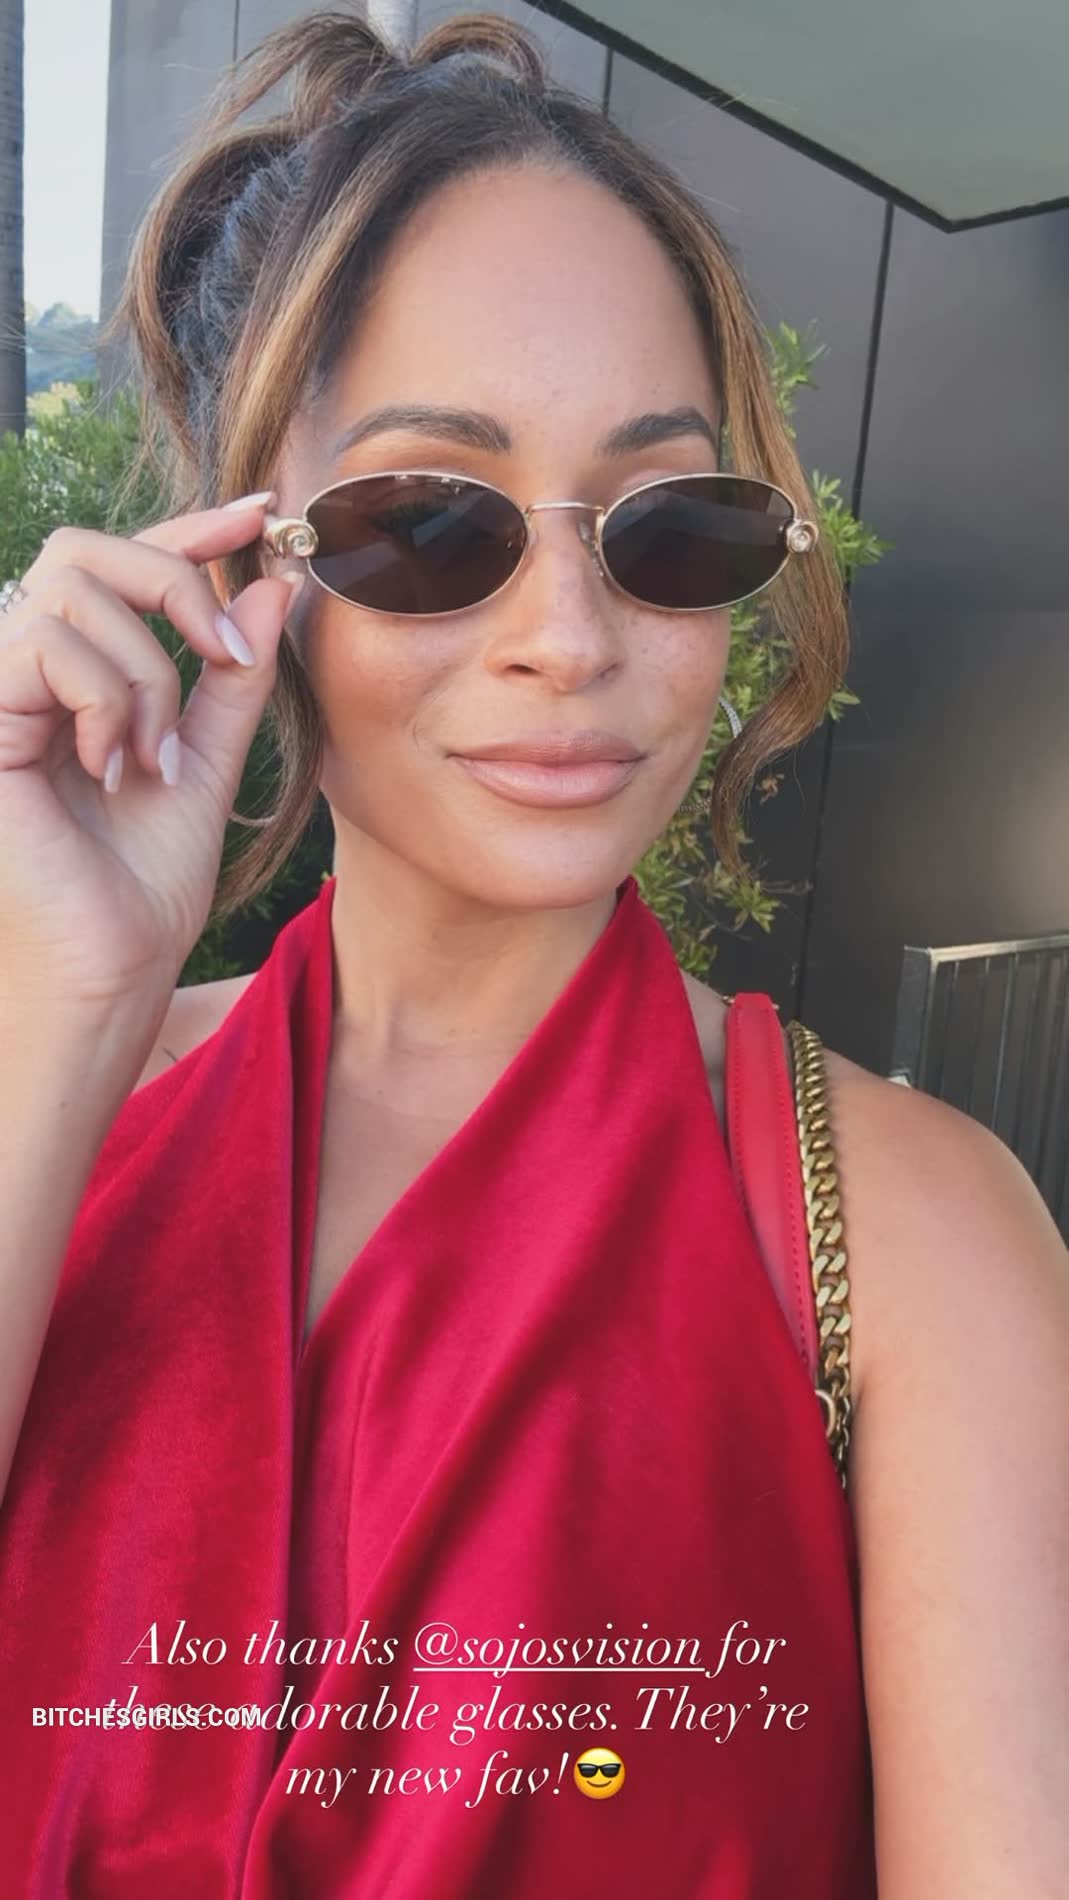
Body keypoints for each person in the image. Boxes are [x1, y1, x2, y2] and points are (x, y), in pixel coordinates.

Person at [0, 8, 1066, 1896]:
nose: (569, 638)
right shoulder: (50, 1113)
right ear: (250, 565)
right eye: (429, 522)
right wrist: (67, 1007)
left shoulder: (918, 1235)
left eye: (670, 525)